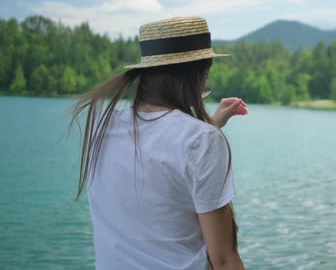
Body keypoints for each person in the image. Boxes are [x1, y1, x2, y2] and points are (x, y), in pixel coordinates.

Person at [69, 16, 247, 270]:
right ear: (199, 73)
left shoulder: (101, 127)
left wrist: (210, 127)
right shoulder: (201, 140)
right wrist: (208, 133)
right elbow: (223, 258)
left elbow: (162, 157)